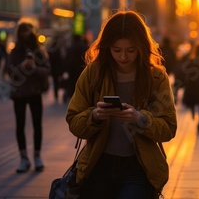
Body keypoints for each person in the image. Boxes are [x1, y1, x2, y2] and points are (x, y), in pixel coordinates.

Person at [66, 10, 177, 198]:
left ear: (141, 47)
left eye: (131, 50)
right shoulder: (94, 73)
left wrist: (140, 119)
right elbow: (73, 120)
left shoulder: (156, 77)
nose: (123, 57)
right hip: (98, 165)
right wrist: (94, 116)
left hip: (138, 168)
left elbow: (168, 128)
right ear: (107, 47)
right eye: (117, 50)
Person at [6, 22, 51, 173]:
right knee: (20, 125)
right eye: (22, 33)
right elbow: (10, 71)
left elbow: (47, 70)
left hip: (34, 92)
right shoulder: (15, 51)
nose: (25, 36)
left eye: (27, 33)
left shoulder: (38, 51)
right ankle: (23, 158)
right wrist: (22, 66)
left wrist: (34, 68)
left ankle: (37, 156)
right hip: (19, 93)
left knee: (37, 124)